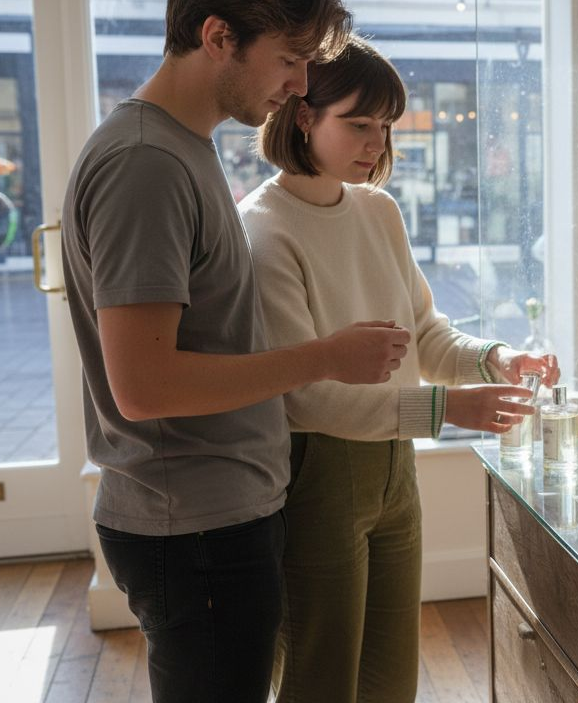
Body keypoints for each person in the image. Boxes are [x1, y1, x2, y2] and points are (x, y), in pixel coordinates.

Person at [60, 0, 412, 701]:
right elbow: (145, 386)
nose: (298, 85)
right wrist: (324, 357)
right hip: (192, 528)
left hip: (217, 517)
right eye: (289, 58)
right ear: (219, 37)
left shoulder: (182, 150)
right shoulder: (146, 164)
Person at [239, 36, 559, 703]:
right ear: (303, 116)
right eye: (359, 124)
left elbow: (422, 333)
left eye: (384, 127)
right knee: (319, 679)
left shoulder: (377, 210)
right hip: (317, 473)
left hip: (393, 470)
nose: (376, 144)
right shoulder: (264, 230)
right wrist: (446, 410)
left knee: (390, 680)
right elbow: (308, 399)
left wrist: (492, 358)